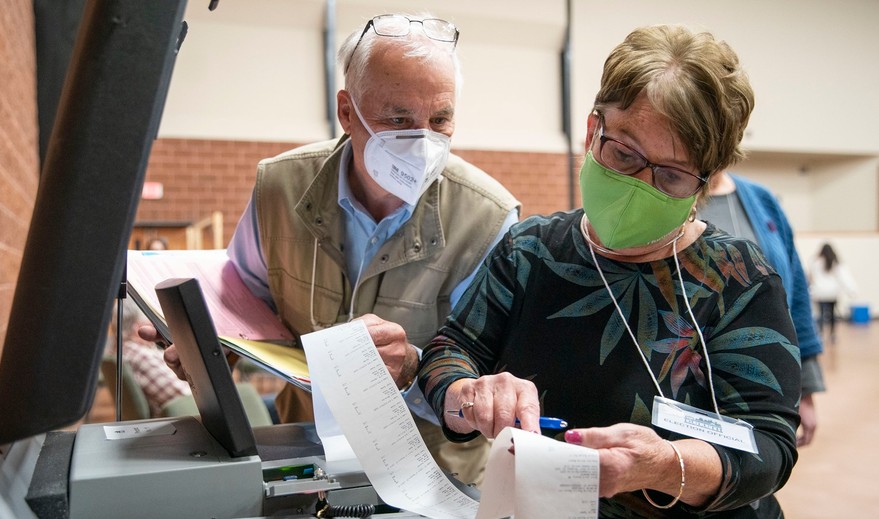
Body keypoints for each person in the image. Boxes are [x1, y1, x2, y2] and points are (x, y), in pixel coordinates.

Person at [418, 25, 799, 516]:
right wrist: (468, 392)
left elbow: (768, 447)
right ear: (591, 129)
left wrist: (666, 464)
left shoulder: (738, 279)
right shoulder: (530, 251)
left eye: (672, 175)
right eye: (623, 153)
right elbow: (450, 351)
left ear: (706, 182)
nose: (639, 184)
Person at [148, 13, 520, 486]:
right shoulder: (280, 188)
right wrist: (211, 345)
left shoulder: (488, 218)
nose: (422, 141)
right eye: (399, 119)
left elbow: (487, 379)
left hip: (430, 473)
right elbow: (243, 300)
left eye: (440, 119)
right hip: (305, 458)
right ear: (348, 111)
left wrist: (412, 369)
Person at [698, 172, 824, 447]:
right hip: (695, 390)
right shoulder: (670, 195)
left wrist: (806, 387)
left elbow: (796, 292)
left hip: (768, 386)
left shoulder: (761, 198)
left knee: (763, 474)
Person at [108, 299, 191, 418]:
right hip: (178, 420)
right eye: (151, 321)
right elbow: (181, 396)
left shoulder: (122, 351)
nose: (155, 325)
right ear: (138, 326)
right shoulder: (141, 355)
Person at [808, 242, 857, 344]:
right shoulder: (835, 262)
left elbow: (811, 277)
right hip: (832, 293)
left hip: (820, 292)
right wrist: (851, 291)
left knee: (821, 314)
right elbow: (844, 277)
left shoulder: (815, 262)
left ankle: (820, 334)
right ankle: (832, 334)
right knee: (832, 314)